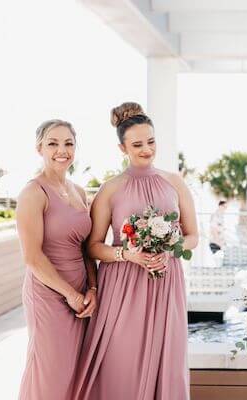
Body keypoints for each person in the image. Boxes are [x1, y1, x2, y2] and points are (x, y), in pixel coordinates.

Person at [73, 102, 198, 400]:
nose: (146, 149)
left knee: (168, 362)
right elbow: (92, 246)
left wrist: (170, 250)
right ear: (122, 147)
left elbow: (193, 236)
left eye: (151, 141)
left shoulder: (174, 183)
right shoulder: (111, 189)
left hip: (166, 284)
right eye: (137, 144)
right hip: (123, 287)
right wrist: (127, 255)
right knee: (121, 362)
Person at [17, 119, 97, 400]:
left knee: (75, 376)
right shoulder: (32, 193)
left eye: (68, 143)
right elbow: (32, 257)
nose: (61, 150)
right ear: (39, 148)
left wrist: (92, 289)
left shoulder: (79, 191)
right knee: (50, 376)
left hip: (80, 297)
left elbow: (86, 248)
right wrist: (71, 295)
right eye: (53, 143)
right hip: (49, 295)